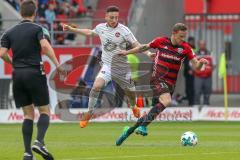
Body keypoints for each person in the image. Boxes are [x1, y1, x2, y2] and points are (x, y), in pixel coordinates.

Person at [115, 23, 208, 146]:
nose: (183, 39)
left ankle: (128, 131)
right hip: (157, 79)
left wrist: (201, 63)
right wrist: (127, 52)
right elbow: (144, 47)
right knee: (167, 101)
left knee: (152, 112)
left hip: (170, 84)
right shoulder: (161, 41)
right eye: (181, 36)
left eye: (184, 36)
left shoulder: (186, 48)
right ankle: (143, 127)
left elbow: (196, 67)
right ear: (174, 33)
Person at [63, 6, 152, 128]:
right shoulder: (100, 28)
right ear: (106, 17)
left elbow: (136, 44)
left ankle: (133, 106)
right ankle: (89, 112)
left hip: (122, 67)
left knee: (130, 92)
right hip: (107, 66)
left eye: (116, 17)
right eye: (111, 17)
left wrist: (148, 53)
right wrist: (72, 29)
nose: (114, 20)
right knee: (96, 86)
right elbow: (90, 33)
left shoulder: (124, 30)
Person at [0, 1, 65, 159]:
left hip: (18, 74)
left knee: (28, 114)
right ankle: (40, 142)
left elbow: (2, 53)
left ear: (21, 13)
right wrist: (58, 65)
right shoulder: (38, 29)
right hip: (35, 71)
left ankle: (28, 153)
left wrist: (13, 63)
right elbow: (46, 47)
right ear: (34, 13)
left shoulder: (9, 32)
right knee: (44, 110)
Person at [194, 40, 214, 107]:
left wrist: (210, 70)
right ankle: (197, 104)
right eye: (201, 44)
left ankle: (206, 103)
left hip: (208, 76)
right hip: (198, 76)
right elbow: (191, 64)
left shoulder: (210, 53)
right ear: (198, 45)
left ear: (205, 45)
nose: (202, 45)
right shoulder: (195, 53)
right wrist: (195, 70)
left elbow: (214, 64)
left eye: (203, 44)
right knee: (197, 91)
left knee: (207, 90)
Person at [183, 36, 196, 106]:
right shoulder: (186, 48)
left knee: (193, 87)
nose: (192, 42)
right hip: (188, 71)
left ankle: (192, 101)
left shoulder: (194, 48)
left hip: (194, 71)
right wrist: (189, 69)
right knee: (188, 87)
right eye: (191, 41)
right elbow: (185, 61)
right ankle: (190, 101)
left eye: (193, 41)